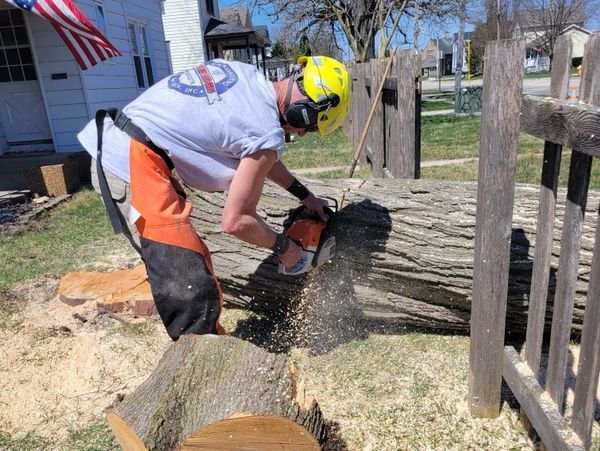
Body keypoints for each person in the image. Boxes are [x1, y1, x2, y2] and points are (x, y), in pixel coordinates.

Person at [77, 55, 351, 340]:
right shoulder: (265, 130)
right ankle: (206, 367)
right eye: (309, 126)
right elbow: (236, 221)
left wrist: (305, 196)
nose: (303, 134)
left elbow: (257, 151)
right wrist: (286, 248)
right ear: (305, 111)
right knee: (188, 285)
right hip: (130, 162)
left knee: (189, 271)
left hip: (122, 142)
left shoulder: (245, 75)